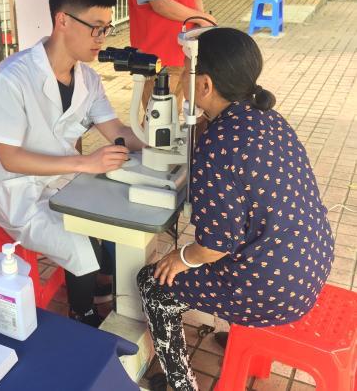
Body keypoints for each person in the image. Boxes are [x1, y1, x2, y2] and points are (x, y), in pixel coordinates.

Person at [136, 28, 334, 391]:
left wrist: (181, 257)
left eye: (186, 72)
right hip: (311, 264)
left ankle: (181, 385)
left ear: (205, 85)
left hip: (274, 290)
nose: (182, 80)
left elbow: (215, 246)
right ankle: (241, 327)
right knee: (244, 245)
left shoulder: (218, 144)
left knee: (152, 283)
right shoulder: (271, 119)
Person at [0, 0, 145, 326]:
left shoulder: (88, 79)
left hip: (63, 181)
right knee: (78, 244)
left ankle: (100, 283)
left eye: (107, 28)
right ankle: (82, 316)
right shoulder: (11, 78)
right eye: (96, 28)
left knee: (118, 213)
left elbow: (115, 131)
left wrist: (159, 142)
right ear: (63, 20)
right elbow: (9, 159)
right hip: (19, 193)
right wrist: (85, 163)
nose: (102, 38)